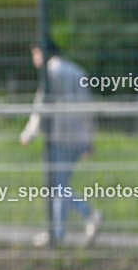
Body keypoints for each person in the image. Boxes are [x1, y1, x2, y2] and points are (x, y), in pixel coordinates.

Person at [20, 37, 101, 247]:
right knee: (60, 186)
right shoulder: (77, 71)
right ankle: (57, 232)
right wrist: (89, 139)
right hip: (79, 136)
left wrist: (29, 133)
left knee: (57, 187)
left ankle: (88, 215)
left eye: (35, 53)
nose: (33, 59)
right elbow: (87, 108)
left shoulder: (51, 74)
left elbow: (41, 106)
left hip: (59, 136)